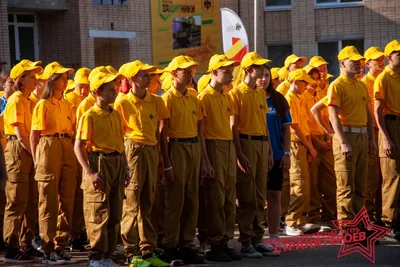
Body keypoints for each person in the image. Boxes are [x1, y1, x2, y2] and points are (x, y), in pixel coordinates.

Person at [114, 60, 170, 267]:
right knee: (131, 201)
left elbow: (159, 130)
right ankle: (130, 252)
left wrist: (162, 158)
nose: (149, 78)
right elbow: (118, 133)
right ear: (132, 79)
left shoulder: (156, 101)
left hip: (151, 150)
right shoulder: (121, 103)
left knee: (148, 201)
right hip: (133, 150)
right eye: (144, 75)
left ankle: (148, 250)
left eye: (149, 75)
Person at [74, 71, 128, 267]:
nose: (114, 92)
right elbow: (78, 146)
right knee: (98, 211)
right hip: (99, 161)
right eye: (110, 89)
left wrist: (126, 167)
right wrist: (90, 172)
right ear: (98, 92)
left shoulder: (115, 114)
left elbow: (120, 144)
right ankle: (96, 257)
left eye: (114, 88)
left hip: (116, 162)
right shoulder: (89, 115)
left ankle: (107, 255)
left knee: (115, 212)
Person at [159, 55, 206, 264]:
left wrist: (204, 160)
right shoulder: (167, 98)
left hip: (193, 146)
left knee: (192, 198)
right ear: (174, 73)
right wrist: (166, 162)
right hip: (176, 146)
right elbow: (162, 133)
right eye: (185, 71)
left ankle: (186, 243)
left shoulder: (194, 97)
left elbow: (200, 129)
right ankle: (170, 244)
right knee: (175, 199)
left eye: (191, 71)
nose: (189, 75)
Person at [30, 61, 78, 264]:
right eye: (62, 77)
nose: (66, 80)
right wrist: (37, 160)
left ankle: (60, 245)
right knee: (48, 201)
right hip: (48, 146)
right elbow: (34, 135)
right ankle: (47, 249)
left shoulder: (68, 104)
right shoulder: (43, 104)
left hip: (67, 144)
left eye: (66, 76)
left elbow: (73, 131)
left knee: (66, 200)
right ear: (52, 80)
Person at [229, 52, 274, 257]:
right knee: (247, 195)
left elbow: (264, 124)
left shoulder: (259, 93)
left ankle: (257, 238)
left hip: (261, 144)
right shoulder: (236, 93)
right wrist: (239, 153)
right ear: (249, 70)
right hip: (246, 143)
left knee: (259, 195)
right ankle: (246, 241)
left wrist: (270, 151)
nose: (263, 70)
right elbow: (234, 127)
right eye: (258, 67)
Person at [197, 54, 241, 262]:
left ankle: (225, 240)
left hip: (227, 146)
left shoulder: (227, 96)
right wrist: (205, 161)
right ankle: (214, 243)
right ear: (214, 72)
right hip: (213, 147)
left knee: (229, 198)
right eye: (226, 71)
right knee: (216, 197)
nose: (231, 75)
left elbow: (232, 127)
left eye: (231, 71)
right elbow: (201, 133)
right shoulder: (204, 97)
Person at [327, 46, 376, 222]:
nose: (358, 64)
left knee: (361, 186)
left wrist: (371, 138)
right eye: (353, 61)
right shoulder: (336, 85)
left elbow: (368, 114)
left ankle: (359, 226)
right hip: (346, 137)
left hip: (362, 137)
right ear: (342, 63)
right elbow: (333, 116)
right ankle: (348, 230)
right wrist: (343, 141)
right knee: (346, 186)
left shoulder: (361, 85)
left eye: (359, 61)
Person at [2, 60, 43, 263]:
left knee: (32, 200)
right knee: (17, 200)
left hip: (29, 150)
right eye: (31, 76)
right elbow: (21, 135)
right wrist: (36, 155)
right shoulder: (17, 100)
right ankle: (11, 246)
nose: (35, 79)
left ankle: (26, 244)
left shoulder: (30, 100)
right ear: (20, 79)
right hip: (19, 150)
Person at [256, 66, 291, 248]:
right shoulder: (250, 98)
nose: (264, 79)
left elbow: (286, 128)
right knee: (256, 197)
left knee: (274, 195)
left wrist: (286, 153)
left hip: (277, 155)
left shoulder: (278, 100)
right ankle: (256, 237)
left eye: (267, 75)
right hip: (257, 156)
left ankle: (274, 235)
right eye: (260, 75)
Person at [284, 69, 319, 236]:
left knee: (305, 184)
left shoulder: (300, 98)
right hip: (295, 144)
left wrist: (310, 147)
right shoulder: (289, 99)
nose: (306, 86)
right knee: (298, 184)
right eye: (304, 82)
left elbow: (305, 127)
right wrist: (310, 147)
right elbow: (295, 127)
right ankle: (291, 222)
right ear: (296, 82)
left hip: (303, 144)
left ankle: (301, 220)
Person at [302, 66, 336, 231]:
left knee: (330, 180)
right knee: (313, 183)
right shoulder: (303, 98)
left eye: (317, 78)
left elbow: (329, 119)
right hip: (313, 142)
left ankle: (330, 216)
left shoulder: (322, 96)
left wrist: (329, 136)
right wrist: (316, 143)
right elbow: (304, 126)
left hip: (326, 141)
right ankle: (313, 217)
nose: (315, 81)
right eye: (311, 78)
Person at [374, 40, 400, 240]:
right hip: (390, 124)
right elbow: (377, 110)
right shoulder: (383, 78)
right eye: (398, 53)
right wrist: (385, 138)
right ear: (389, 57)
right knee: (391, 174)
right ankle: (389, 222)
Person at [362, 46, 385, 224]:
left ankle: (380, 218)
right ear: (368, 63)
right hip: (373, 131)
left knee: (384, 177)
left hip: (385, 129)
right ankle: (368, 218)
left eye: (382, 58)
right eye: (376, 59)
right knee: (370, 179)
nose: (381, 61)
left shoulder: (384, 79)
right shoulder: (365, 83)